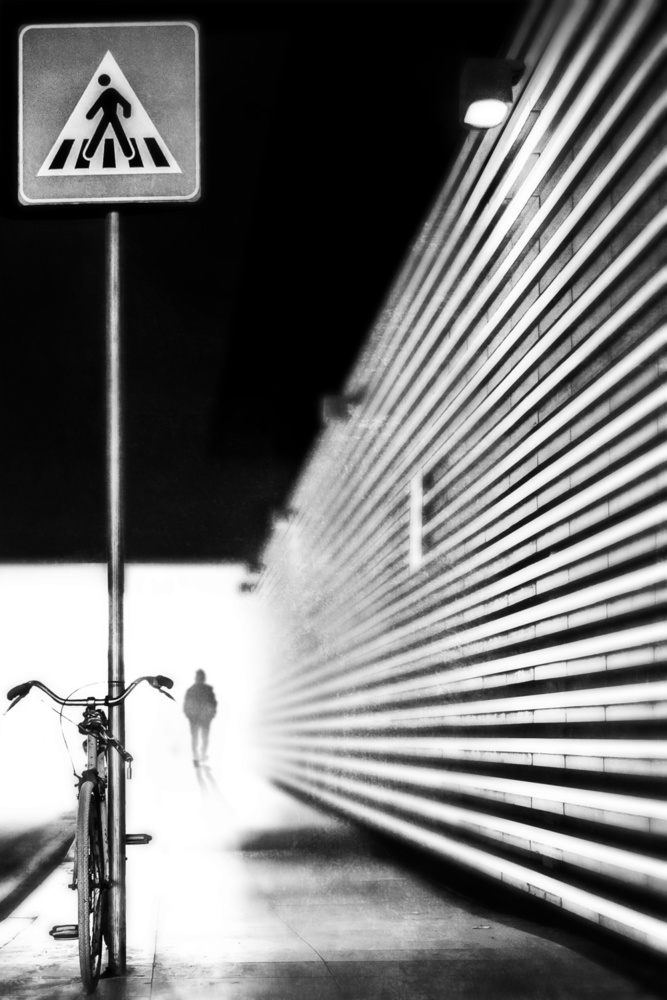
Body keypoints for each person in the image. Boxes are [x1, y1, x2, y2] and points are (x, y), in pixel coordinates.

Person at [183, 669, 217, 764]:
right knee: (200, 738)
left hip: (200, 718)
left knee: (198, 738)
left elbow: (213, 704)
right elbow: (213, 704)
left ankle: (198, 756)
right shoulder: (205, 690)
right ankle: (199, 756)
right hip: (200, 718)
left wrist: (211, 714)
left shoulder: (193, 690)